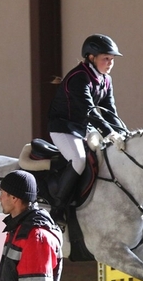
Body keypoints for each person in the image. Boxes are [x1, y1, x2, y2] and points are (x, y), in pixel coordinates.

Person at [47, 34, 129, 222]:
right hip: (63, 127)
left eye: (112, 59)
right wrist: (110, 133)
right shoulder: (78, 77)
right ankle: (57, 208)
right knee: (79, 160)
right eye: (105, 59)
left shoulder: (105, 80)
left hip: (83, 128)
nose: (109, 63)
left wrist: (124, 133)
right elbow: (90, 110)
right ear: (91, 57)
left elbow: (109, 111)